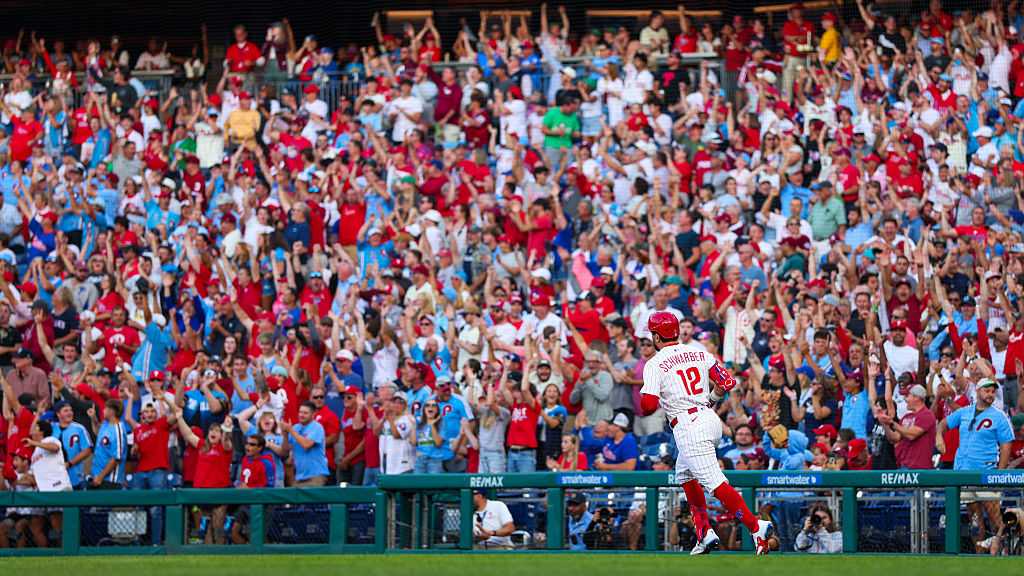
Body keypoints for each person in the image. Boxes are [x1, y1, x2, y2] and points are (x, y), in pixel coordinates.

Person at [639, 311, 773, 555]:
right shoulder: (700, 351)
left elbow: (647, 406)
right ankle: (704, 532)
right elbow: (726, 382)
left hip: (688, 425)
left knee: (715, 483)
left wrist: (653, 393)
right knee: (685, 475)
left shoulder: (654, 363)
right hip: (709, 419)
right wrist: (710, 399)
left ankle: (756, 526)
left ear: (657, 336)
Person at [283, 401, 329, 486]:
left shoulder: (317, 427)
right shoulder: (295, 428)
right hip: (299, 476)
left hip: (316, 476)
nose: (301, 415)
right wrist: (285, 434)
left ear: (313, 414)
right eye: (300, 412)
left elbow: (306, 445)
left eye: (305, 413)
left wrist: (291, 431)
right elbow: (286, 450)